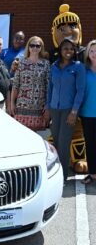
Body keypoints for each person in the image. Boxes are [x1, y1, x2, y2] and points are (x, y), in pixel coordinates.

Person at [45, 38, 86, 181]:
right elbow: (50, 89)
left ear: (74, 51)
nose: (68, 51)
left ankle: (62, 177)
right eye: (65, 48)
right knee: (56, 142)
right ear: (60, 51)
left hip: (69, 110)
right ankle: (55, 172)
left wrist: (74, 112)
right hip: (55, 110)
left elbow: (80, 90)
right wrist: (48, 108)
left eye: (71, 48)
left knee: (64, 142)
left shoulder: (78, 67)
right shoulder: (54, 67)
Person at [11, 36, 50, 131]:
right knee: (21, 134)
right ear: (28, 47)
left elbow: (49, 86)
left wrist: (47, 105)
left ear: (41, 47)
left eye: (38, 46)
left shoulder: (46, 64)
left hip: (39, 106)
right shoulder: (21, 63)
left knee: (37, 136)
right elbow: (15, 85)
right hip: (22, 106)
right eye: (32, 45)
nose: (35, 48)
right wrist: (12, 103)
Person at [79, 40, 96, 184]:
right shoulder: (83, 70)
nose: (94, 53)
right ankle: (92, 174)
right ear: (87, 53)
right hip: (87, 114)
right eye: (91, 51)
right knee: (90, 144)